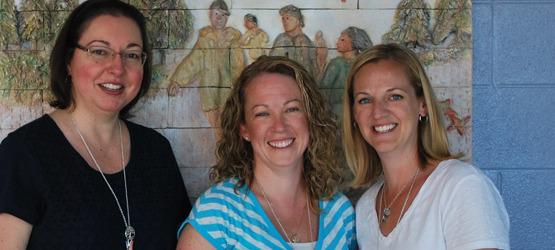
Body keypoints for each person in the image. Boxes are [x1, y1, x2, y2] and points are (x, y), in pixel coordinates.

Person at [0, 0, 191, 249]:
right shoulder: (23, 155)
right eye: (99, 51)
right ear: (69, 61)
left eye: (131, 55)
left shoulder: (157, 151)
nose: (117, 68)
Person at [177, 56, 356, 250]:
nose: (279, 126)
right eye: (262, 113)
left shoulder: (341, 213)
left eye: (292, 109)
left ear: (310, 119)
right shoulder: (217, 214)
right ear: (244, 129)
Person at [342, 44, 509, 249]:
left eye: (395, 96)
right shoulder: (366, 206)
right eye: (365, 100)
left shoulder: (461, 186)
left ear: (422, 104)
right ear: (354, 114)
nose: (378, 112)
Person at [168, 0, 246, 134]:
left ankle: (226, 153)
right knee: (216, 130)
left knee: (229, 129)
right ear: (210, 15)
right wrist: (177, 80)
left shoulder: (232, 39)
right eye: (216, 14)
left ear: (227, 18)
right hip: (210, 95)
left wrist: (241, 88)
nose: (219, 18)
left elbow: (238, 66)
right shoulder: (205, 38)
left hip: (229, 94)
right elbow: (193, 61)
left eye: (223, 15)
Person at [319, 26, 372, 116]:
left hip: (338, 110)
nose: (337, 42)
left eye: (342, 40)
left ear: (353, 43)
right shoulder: (362, 63)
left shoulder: (337, 63)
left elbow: (323, 88)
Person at [269, 5, 316, 78]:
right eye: (283, 19)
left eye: (287, 18)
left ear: (298, 20)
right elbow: (272, 63)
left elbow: (315, 68)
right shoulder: (281, 39)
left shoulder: (307, 41)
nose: (284, 21)